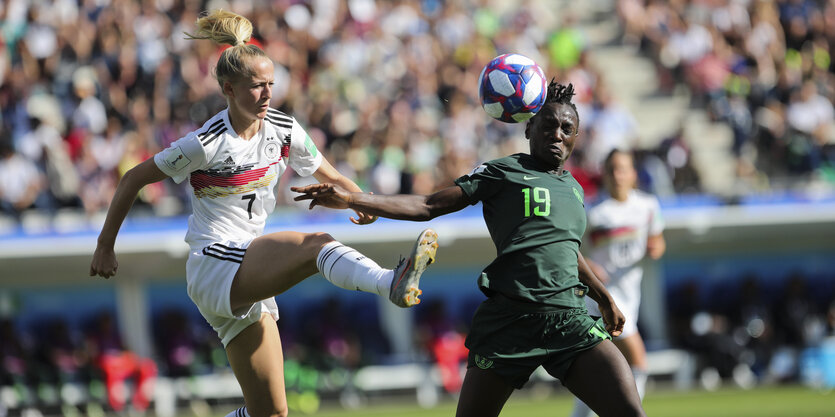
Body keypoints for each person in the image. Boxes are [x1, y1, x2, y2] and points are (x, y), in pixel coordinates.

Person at [89, 10, 439, 417]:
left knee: (271, 413)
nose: (268, 93)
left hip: (247, 267)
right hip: (215, 261)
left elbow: (333, 175)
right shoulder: (206, 143)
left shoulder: (284, 130)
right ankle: (388, 282)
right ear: (228, 88)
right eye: (257, 86)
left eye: (271, 84)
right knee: (315, 245)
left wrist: (361, 200)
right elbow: (133, 177)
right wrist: (104, 245)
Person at [294, 82, 646, 417]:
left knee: (630, 411)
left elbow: (566, 249)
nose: (557, 134)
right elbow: (429, 205)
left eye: (566, 128)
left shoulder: (574, 188)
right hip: (510, 321)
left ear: (575, 138)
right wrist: (354, 198)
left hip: (568, 320)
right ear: (528, 128)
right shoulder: (503, 172)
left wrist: (604, 298)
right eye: (548, 125)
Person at [569, 149, 665, 417]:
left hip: (630, 292)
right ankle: (633, 411)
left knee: (598, 372)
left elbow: (657, 239)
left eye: (622, 168)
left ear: (633, 173)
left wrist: (655, 247)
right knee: (638, 359)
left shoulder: (648, 206)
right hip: (601, 295)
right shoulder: (593, 208)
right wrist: (590, 265)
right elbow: (570, 247)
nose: (617, 175)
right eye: (611, 169)